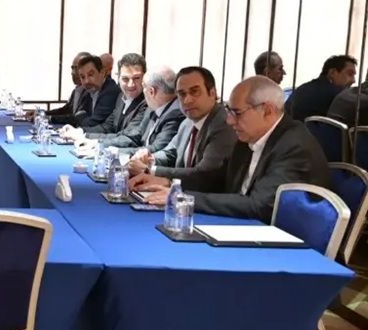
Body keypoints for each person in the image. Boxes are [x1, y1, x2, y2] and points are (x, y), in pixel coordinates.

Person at [137, 76, 329, 223]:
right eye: (229, 111)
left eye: (237, 113)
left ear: (267, 110)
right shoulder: (248, 137)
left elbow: (259, 205)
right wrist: (170, 182)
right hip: (242, 226)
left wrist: (184, 197)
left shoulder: (294, 145)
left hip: (282, 244)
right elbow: (217, 177)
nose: (229, 121)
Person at [128, 66, 236, 182]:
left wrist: (150, 170)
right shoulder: (187, 123)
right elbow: (170, 153)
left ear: (212, 93)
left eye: (195, 92)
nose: (187, 100)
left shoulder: (224, 124)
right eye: (182, 94)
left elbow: (204, 175)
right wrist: (149, 159)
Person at [83, 65, 184, 154]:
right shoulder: (152, 109)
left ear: (151, 91)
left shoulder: (176, 115)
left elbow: (155, 150)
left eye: (144, 87)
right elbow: (133, 137)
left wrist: (111, 152)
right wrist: (96, 143)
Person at [63, 53, 148, 143]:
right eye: (125, 79)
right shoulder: (121, 97)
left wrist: (89, 138)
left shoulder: (146, 103)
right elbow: (107, 127)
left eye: (136, 78)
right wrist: (80, 131)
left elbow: (127, 138)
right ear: (118, 78)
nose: (131, 85)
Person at [51, 54, 119, 128]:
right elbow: (76, 116)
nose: (86, 81)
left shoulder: (110, 91)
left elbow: (92, 123)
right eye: (82, 77)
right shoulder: (90, 91)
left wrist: (80, 117)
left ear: (102, 72)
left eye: (91, 75)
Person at [285, 55, 357, 122]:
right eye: (350, 74)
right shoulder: (336, 95)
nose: (353, 80)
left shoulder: (302, 88)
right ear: (332, 73)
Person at [46, 52, 91, 119]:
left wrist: (49, 118)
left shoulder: (91, 92)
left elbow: (77, 118)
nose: (72, 73)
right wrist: (42, 113)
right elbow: (65, 110)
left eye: (76, 68)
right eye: (72, 68)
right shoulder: (76, 91)